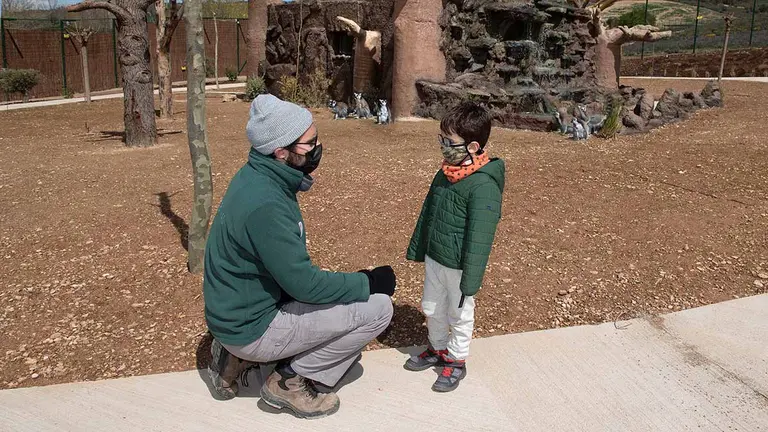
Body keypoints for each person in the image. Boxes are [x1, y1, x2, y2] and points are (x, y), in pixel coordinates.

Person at [203, 94, 397, 419]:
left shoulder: (258, 176)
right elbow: (305, 285)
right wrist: (368, 281)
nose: (318, 148)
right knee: (379, 308)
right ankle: (288, 381)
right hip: (251, 327)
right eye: (310, 144)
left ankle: (234, 357)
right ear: (281, 151)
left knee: (345, 296)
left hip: (235, 316)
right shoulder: (266, 204)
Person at [403, 101, 505, 392]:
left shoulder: (483, 186)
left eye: (448, 141)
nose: (442, 145)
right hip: (436, 258)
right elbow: (429, 213)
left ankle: (457, 360)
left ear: (473, 146)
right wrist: (419, 247)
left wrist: (472, 280)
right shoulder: (445, 173)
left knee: (459, 314)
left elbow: (480, 238)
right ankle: (436, 348)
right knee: (432, 307)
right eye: (441, 139)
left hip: (460, 267)